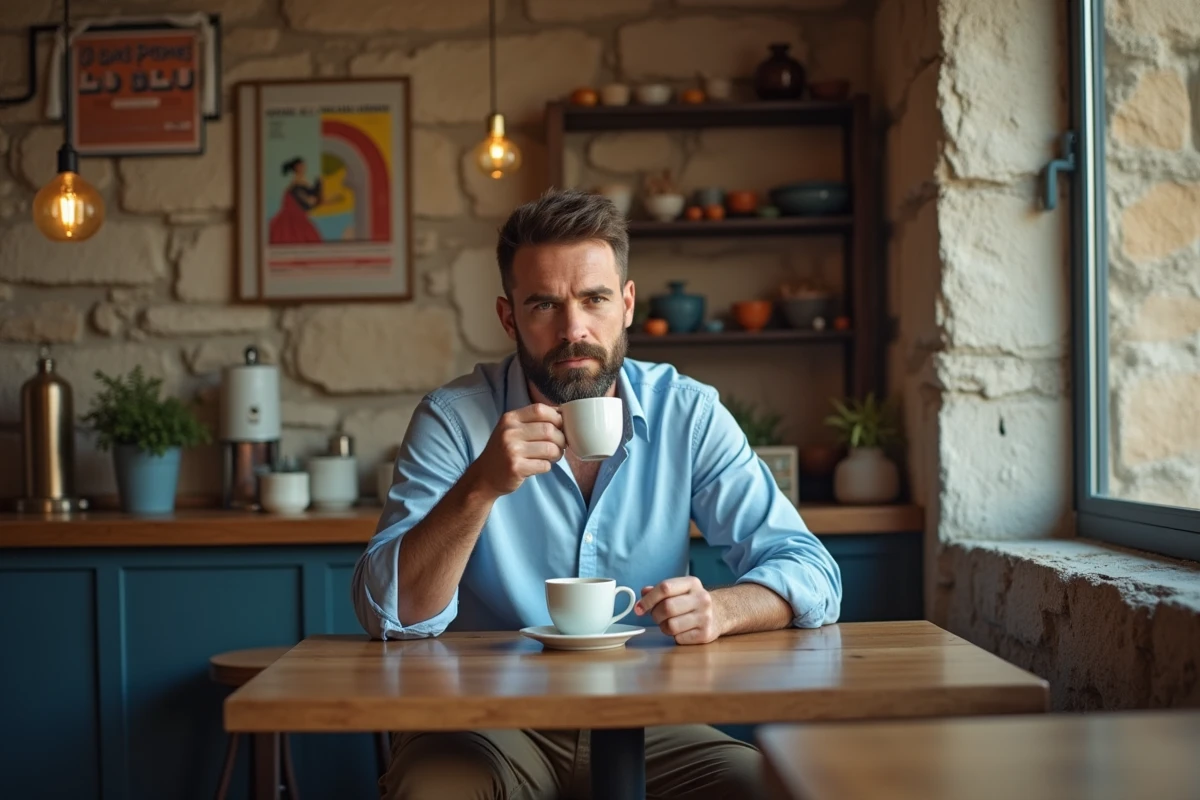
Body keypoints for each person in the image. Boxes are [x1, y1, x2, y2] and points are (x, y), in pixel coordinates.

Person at [352, 188, 842, 800]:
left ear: (628, 304)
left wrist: (723, 611)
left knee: (763, 788)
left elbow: (812, 571)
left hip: (648, 720)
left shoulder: (687, 413)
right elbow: (388, 614)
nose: (574, 330)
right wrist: (479, 488)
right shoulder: (454, 421)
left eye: (594, 299)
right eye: (544, 305)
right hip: (484, 723)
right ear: (509, 318)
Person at [268, 157, 323, 244]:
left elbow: (311, 196)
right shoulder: (296, 183)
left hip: (299, 215)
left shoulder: (302, 181)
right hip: (293, 217)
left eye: (304, 166)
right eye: (301, 166)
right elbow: (307, 201)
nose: (304, 168)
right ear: (297, 167)